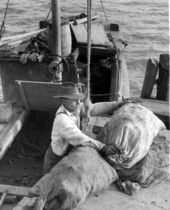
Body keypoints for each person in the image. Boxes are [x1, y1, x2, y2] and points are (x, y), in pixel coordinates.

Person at [43, 82, 126, 174]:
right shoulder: (62, 119)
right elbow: (78, 137)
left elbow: (94, 108)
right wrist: (101, 146)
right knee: (49, 179)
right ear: (64, 101)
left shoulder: (75, 108)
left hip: (67, 150)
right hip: (56, 157)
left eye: (79, 99)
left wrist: (117, 104)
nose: (78, 102)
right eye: (74, 100)